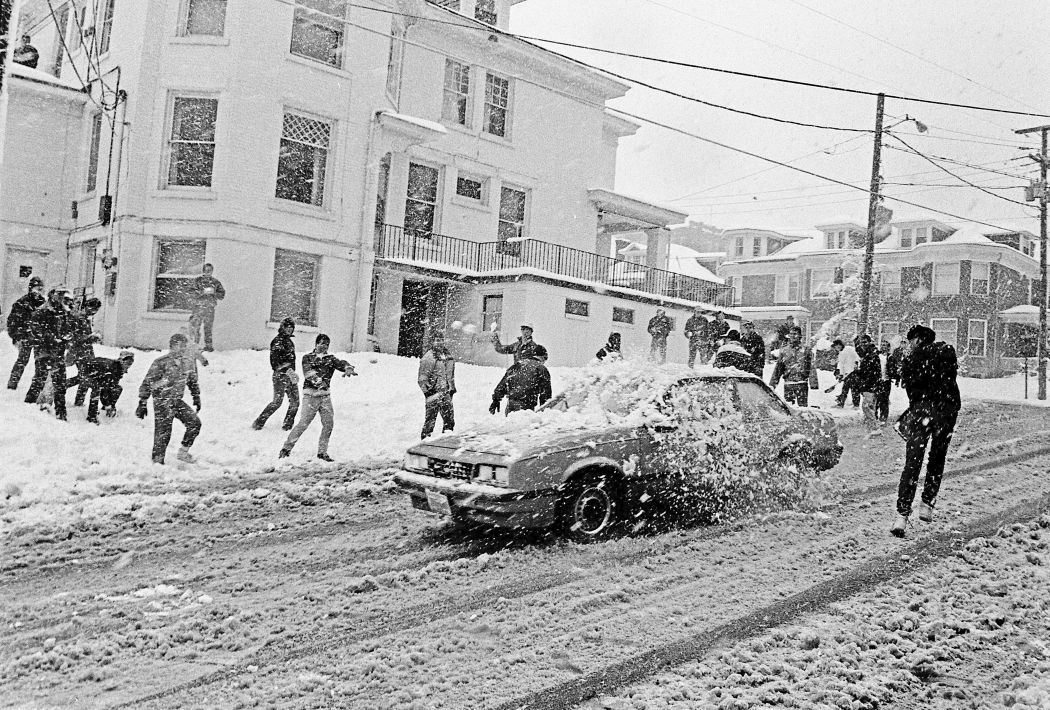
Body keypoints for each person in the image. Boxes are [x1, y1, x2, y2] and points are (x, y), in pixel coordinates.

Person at [891, 324, 961, 537]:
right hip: (947, 410)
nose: (909, 344)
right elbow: (950, 378)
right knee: (937, 458)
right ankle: (927, 504)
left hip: (923, 412)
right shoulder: (946, 352)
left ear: (918, 339)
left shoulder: (912, 359)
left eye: (911, 340)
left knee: (913, 462)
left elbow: (912, 391)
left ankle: (902, 516)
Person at [279, 334, 355, 462]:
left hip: (325, 397)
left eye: (326, 344)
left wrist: (348, 367)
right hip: (310, 396)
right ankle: (286, 449)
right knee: (303, 423)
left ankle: (322, 452)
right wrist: (319, 382)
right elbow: (308, 373)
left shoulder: (330, 359)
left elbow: (341, 363)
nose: (323, 346)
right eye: (321, 343)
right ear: (316, 344)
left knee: (328, 424)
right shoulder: (307, 357)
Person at [137, 334, 202, 465]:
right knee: (163, 432)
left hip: (176, 401)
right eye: (180, 346)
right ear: (172, 346)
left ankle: (183, 452)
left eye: (185, 345)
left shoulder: (187, 362)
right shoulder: (161, 362)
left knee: (194, 423)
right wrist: (142, 402)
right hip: (162, 401)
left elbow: (192, 381)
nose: (183, 349)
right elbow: (148, 382)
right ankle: (158, 461)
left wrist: (196, 397)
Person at [23, 287, 75, 420]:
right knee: (40, 378)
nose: (60, 297)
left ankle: (61, 412)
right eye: (58, 294)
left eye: (63, 294)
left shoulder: (64, 312)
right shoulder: (42, 311)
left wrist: (66, 337)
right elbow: (36, 330)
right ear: (51, 295)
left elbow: (68, 328)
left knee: (60, 382)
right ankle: (27, 406)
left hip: (58, 351)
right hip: (44, 351)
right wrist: (51, 338)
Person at [253, 317, 298, 431]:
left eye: (291, 327)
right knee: (277, 402)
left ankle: (287, 426)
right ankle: (259, 422)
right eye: (287, 327)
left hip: (290, 376)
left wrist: (292, 372)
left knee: (295, 402)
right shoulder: (278, 341)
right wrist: (286, 369)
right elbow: (275, 362)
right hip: (280, 376)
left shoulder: (289, 341)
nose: (289, 329)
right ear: (282, 327)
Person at [65, 351, 134, 424]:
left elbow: (111, 386)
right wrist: (108, 405)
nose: (129, 365)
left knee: (117, 388)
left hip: (94, 372)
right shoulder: (111, 370)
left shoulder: (118, 369)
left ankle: (106, 408)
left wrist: (110, 405)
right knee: (96, 388)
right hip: (88, 371)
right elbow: (104, 390)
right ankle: (92, 416)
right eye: (127, 362)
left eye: (131, 363)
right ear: (121, 361)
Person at [6, 276, 45, 390]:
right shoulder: (21, 303)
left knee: (40, 362)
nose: (38, 292)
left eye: (40, 289)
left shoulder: (43, 303)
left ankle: (37, 386)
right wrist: (17, 336)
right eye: (37, 288)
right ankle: (12, 384)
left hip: (38, 338)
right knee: (22, 361)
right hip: (26, 337)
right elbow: (12, 322)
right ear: (31, 288)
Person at [418, 331, 456, 439]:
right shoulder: (429, 357)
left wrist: (451, 388)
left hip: (445, 393)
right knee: (430, 421)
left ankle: (446, 443)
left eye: (442, 340)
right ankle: (424, 443)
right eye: (437, 340)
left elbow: (450, 374)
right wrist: (429, 393)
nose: (440, 342)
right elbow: (422, 379)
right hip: (433, 394)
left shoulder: (447, 356)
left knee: (449, 420)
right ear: (433, 341)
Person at [68, 297, 102, 407]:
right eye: (93, 309)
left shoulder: (85, 318)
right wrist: (90, 337)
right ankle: (61, 386)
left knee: (85, 377)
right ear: (88, 306)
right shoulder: (78, 318)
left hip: (86, 352)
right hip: (79, 353)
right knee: (85, 377)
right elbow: (75, 337)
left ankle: (78, 399)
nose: (94, 312)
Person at [769, 326, 814, 406]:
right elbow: (778, 368)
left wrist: (813, 383)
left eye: (795, 334)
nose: (793, 336)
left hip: (801, 383)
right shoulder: (784, 350)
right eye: (791, 334)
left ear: (800, 336)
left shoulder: (806, 350)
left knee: (802, 408)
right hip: (789, 383)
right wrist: (773, 384)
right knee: (789, 408)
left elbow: (811, 366)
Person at [191, 263, 225, 352]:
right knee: (195, 327)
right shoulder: (197, 281)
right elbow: (191, 292)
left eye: (209, 270)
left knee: (208, 328)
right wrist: (202, 292)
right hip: (198, 307)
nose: (208, 272)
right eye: (206, 270)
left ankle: (208, 346)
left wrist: (214, 293)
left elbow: (222, 295)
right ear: (203, 271)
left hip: (210, 308)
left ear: (212, 271)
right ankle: (194, 346)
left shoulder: (215, 282)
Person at [855, 339, 883, 434]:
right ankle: (871, 426)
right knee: (870, 407)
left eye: (864, 343)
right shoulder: (870, 357)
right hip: (870, 386)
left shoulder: (871, 357)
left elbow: (870, 373)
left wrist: (858, 372)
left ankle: (874, 427)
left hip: (869, 386)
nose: (862, 345)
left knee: (866, 407)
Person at [833, 338, 861, 408]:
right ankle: (841, 403)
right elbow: (842, 365)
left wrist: (856, 365)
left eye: (838, 346)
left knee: (854, 389)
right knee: (845, 389)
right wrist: (841, 375)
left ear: (840, 345)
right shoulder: (840, 354)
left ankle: (856, 405)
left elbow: (857, 358)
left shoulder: (849, 349)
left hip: (853, 372)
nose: (837, 348)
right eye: (836, 347)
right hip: (847, 374)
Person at [876, 340, 892, 423]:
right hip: (877, 381)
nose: (883, 347)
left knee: (884, 399)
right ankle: (874, 416)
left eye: (885, 345)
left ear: (888, 347)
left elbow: (893, 368)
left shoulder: (890, 357)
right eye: (882, 345)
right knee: (876, 399)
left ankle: (883, 417)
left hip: (886, 380)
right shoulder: (877, 356)